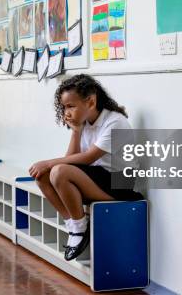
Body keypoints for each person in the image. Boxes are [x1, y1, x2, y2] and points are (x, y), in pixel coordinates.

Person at [28, 74, 142, 261]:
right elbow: (69, 160)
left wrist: (48, 163)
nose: (67, 112)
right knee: (44, 176)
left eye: (71, 106)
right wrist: (76, 132)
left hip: (119, 183)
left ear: (90, 102)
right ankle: (73, 224)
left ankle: (80, 229)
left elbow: (88, 158)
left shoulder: (114, 122)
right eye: (64, 107)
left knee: (56, 170)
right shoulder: (85, 123)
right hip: (98, 178)